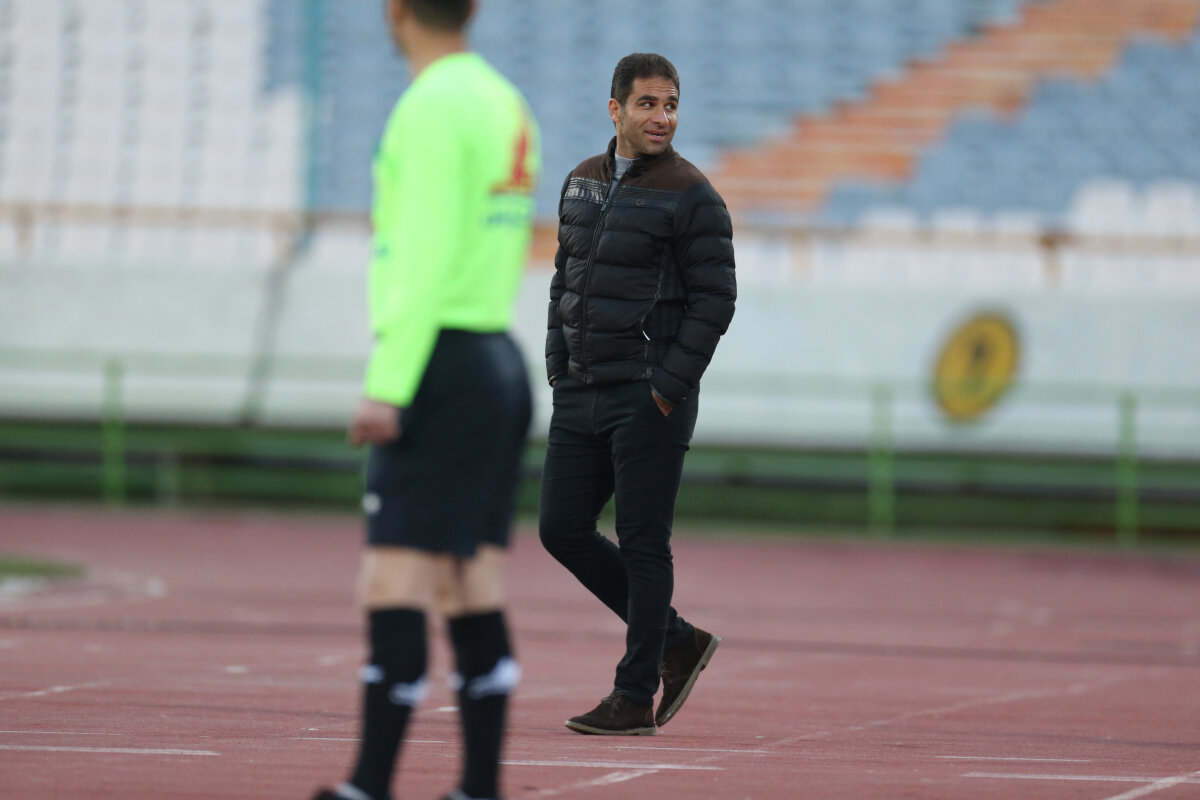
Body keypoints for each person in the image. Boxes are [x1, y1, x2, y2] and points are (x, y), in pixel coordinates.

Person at [311, 1, 539, 799]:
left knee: (394, 581)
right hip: (496, 359)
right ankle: (477, 787)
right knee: (470, 583)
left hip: (438, 363)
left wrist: (388, 383)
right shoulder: (505, 101)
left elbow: (424, 254)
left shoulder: (430, 105)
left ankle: (368, 787)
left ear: (396, 10)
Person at [539, 52, 736, 736]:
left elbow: (716, 301)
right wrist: (558, 364)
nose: (663, 117)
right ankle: (676, 639)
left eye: (671, 104)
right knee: (560, 529)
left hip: (649, 396)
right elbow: (565, 279)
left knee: (644, 543)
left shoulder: (692, 194)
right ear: (615, 109)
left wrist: (666, 388)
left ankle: (634, 695)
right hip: (581, 388)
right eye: (648, 103)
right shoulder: (581, 181)